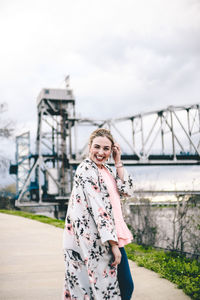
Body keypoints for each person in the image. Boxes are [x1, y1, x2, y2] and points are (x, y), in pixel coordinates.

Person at [63, 128, 134, 300]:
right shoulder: (86, 170)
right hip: (95, 240)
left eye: (106, 148)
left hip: (110, 235)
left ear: (112, 150)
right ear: (89, 146)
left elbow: (127, 190)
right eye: (97, 147)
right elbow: (99, 209)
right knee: (108, 289)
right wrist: (113, 245)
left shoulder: (107, 170)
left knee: (117, 288)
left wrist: (118, 161)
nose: (101, 152)